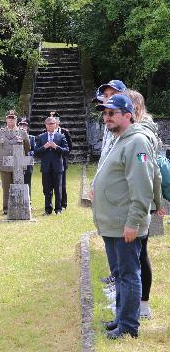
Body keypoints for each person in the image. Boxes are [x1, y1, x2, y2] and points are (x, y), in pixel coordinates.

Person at [92, 94, 161, 340]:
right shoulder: (121, 140)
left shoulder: (137, 142)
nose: (107, 118)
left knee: (130, 274)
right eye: (105, 114)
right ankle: (121, 318)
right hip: (113, 224)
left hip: (125, 224)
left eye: (112, 113)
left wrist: (133, 222)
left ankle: (129, 327)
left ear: (128, 114)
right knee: (120, 274)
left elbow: (142, 187)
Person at [125, 89, 165, 319]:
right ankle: (138, 303)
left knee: (139, 254)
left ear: (135, 108)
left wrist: (156, 202)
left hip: (142, 199)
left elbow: (152, 171)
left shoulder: (143, 133)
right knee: (137, 253)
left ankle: (143, 304)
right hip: (141, 198)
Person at [0, 110, 30, 214]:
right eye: (9, 118)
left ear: (16, 120)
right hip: (5, 165)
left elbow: (27, 148)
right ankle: (6, 209)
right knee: (6, 188)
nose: (11, 120)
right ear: (6, 119)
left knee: (18, 186)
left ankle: (19, 206)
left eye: (13, 118)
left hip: (18, 165)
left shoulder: (22, 132)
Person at [34, 116, 69, 215]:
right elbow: (36, 152)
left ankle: (58, 209)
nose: (51, 125)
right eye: (49, 124)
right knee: (47, 189)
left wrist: (56, 147)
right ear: (45, 125)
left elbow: (66, 151)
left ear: (56, 125)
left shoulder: (61, 136)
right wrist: (44, 147)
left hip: (58, 167)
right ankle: (48, 209)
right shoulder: (41, 137)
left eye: (53, 123)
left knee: (58, 189)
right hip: (46, 167)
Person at [50, 111, 72, 210]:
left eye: (55, 120)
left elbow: (69, 147)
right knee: (49, 183)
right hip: (50, 161)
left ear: (58, 121)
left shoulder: (64, 132)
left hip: (61, 161)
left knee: (62, 184)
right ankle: (50, 204)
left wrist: (62, 155)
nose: (53, 122)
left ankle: (63, 204)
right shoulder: (46, 131)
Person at [18, 117, 35, 201]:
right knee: (17, 182)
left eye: (24, 125)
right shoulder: (14, 137)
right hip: (17, 163)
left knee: (27, 182)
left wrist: (28, 153)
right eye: (20, 125)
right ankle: (18, 200)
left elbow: (34, 150)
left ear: (27, 127)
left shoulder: (32, 138)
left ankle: (28, 200)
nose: (22, 127)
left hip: (28, 162)